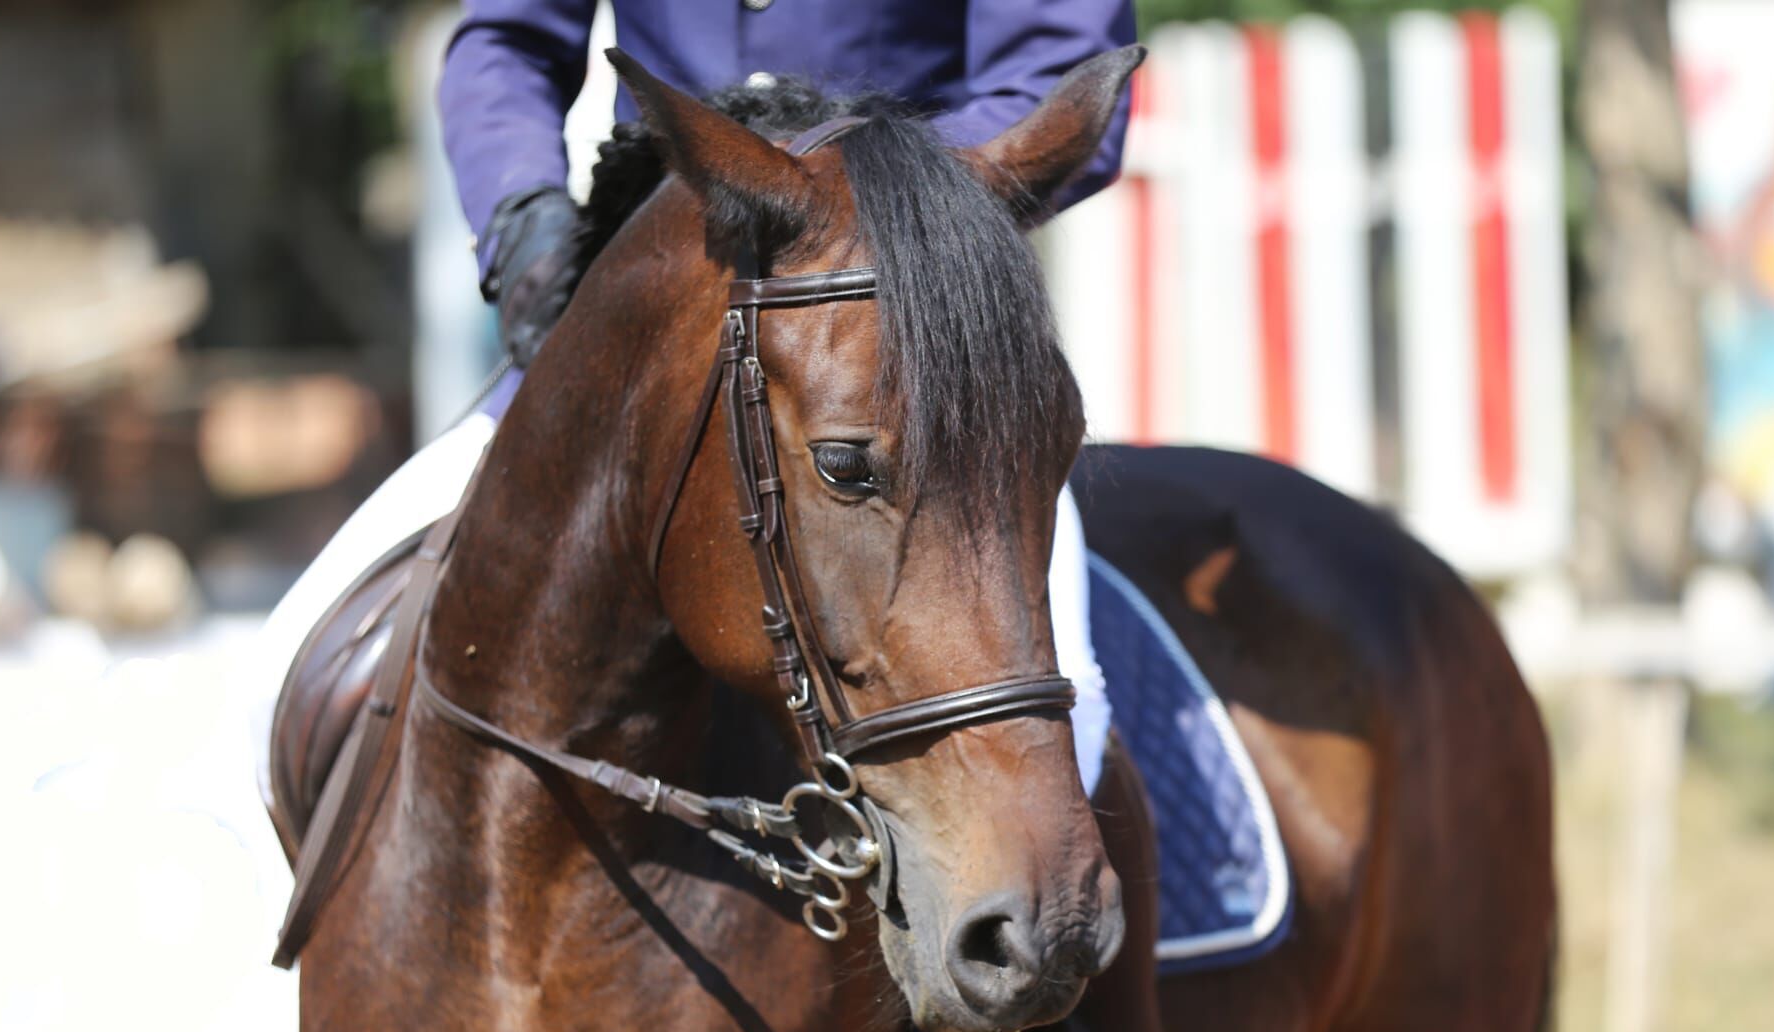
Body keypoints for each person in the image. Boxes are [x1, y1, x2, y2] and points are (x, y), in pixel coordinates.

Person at [255, 0, 1135, 797]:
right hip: (644, 331)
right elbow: (508, 42)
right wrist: (523, 217)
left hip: (888, 368)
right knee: (286, 678)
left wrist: (846, 202)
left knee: (1077, 740)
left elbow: (1055, 74)